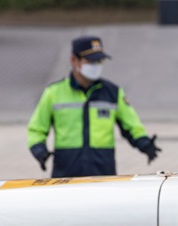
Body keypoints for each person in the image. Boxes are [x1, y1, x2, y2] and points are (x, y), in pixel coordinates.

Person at [27, 36, 160, 178]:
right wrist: (39, 150)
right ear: (74, 60)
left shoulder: (113, 93)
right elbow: (36, 129)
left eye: (99, 61)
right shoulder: (53, 93)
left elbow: (131, 126)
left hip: (103, 172)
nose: (96, 65)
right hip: (66, 173)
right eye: (91, 61)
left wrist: (145, 144)